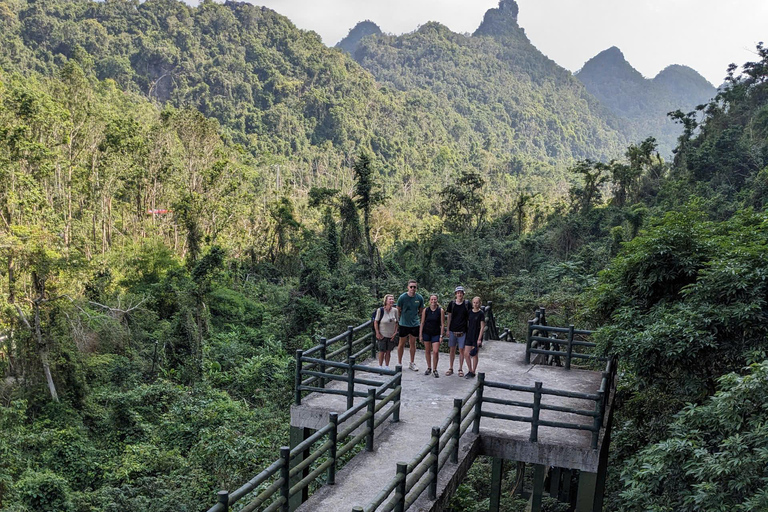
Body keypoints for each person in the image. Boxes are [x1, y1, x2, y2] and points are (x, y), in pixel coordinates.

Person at [397, 279, 424, 371]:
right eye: (411, 287)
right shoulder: (402, 297)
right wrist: (400, 319)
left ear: (416, 288)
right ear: (408, 287)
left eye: (414, 287)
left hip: (414, 324)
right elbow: (398, 309)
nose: (413, 288)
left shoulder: (419, 298)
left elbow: (421, 310)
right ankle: (399, 362)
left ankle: (412, 362)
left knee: (413, 343)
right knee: (401, 343)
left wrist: (416, 318)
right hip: (404, 323)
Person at [445, 286, 471, 377]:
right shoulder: (452, 304)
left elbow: (470, 317)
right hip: (452, 330)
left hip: (463, 331)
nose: (459, 294)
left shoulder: (467, 304)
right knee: (452, 350)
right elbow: (449, 317)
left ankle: (460, 368)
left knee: (461, 350)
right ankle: (451, 367)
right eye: (458, 293)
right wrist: (447, 329)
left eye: (461, 293)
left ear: (463, 294)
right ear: (456, 294)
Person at [419, 294, 444, 378]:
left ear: (437, 300)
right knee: (427, 351)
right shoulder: (426, 310)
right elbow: (422, 323)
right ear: (429, 301)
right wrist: (420, 334)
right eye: (432, 299)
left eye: (435, 299)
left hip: (436, 333)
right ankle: (429, 367)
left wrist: (441, 335)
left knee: (436, 351)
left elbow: (442, 324)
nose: (433, 301)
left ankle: (435, 369)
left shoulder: (440, 310)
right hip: (426, 332)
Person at [374, 294, 399, 369]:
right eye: (390, 299)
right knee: (382, 351)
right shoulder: (380, 310)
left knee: (388, 351)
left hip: (391, 335)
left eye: (392, 299)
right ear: (386, 301)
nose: (391, 301)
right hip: (382, 334)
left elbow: (397, 322)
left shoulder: (395, 310)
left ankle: (387, 366)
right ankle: (380, 366)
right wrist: (377, 333)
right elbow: (376, 322)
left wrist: (395, 333)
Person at [463, 296, 486, 379]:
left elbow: (482, 327)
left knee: (474, 354)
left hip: (477, 335)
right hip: (469, 334)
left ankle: (473, 370)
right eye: (474, 302)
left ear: (480, 303)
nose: (475, 304)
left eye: (477, 303)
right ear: (472, 303)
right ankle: (470, 370)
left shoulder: (481, 313)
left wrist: (479, 339)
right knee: (466, 353)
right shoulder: (469, 312)